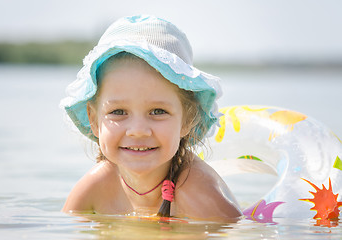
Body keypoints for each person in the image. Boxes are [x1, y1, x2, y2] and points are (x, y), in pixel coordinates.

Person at [60, 15, 242, 222]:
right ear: (94, 120)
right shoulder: (96, 187)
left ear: (188, 119)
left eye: (157, 111)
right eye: (118, 112)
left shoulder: (199, 195)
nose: (138, 130)